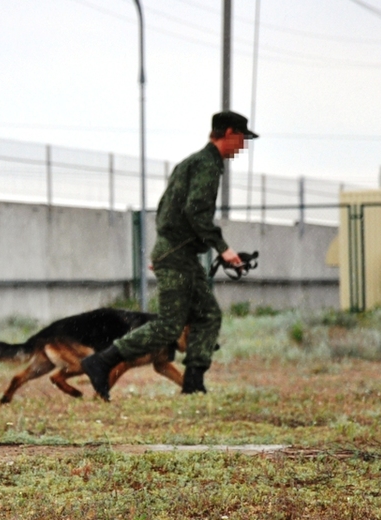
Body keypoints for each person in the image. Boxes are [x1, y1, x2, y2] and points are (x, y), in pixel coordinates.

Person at [81, 111, 257, 401]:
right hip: (178, 256)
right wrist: (221, 247)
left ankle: (193, 383)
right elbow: (195, 211)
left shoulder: (192, 163)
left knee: (207, 315)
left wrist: (165, 246)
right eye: (241, 138)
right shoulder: (206, 166)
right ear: (228, 133)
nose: (242, 146)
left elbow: (166, 209)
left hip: (178, 253)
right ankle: (102, 361)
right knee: (169, 326)